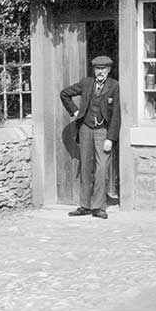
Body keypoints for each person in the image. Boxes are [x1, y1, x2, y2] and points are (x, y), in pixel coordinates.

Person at [60, 55, 121, 219]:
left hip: (103, 131)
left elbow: (116, 114)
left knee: (101, 169)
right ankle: (85, 206)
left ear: (108, 70)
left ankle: (99, 207)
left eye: (103, 69)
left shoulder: (114, 86)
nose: (100, 72)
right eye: (97, 69)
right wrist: (74, 111)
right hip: (85, 129)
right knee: (86, 167)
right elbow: (64, 94)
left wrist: (111, 138)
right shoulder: (87, 83)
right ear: (94, 70)